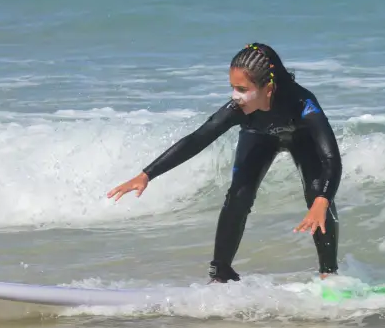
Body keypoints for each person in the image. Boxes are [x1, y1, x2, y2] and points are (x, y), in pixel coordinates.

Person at [107, 43, 343, 283]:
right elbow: (197, 139)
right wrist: (147, 174)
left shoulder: (303, 104)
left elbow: (331, 159)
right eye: (232, 88)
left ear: (268, 88)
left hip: (302, 139)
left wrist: (322, 200)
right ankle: (220, 273)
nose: (235, 96)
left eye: (242, 89)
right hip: (259, 137)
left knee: (319, 195)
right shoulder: (238, 109)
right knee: (238, 196)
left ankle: (329, 274)